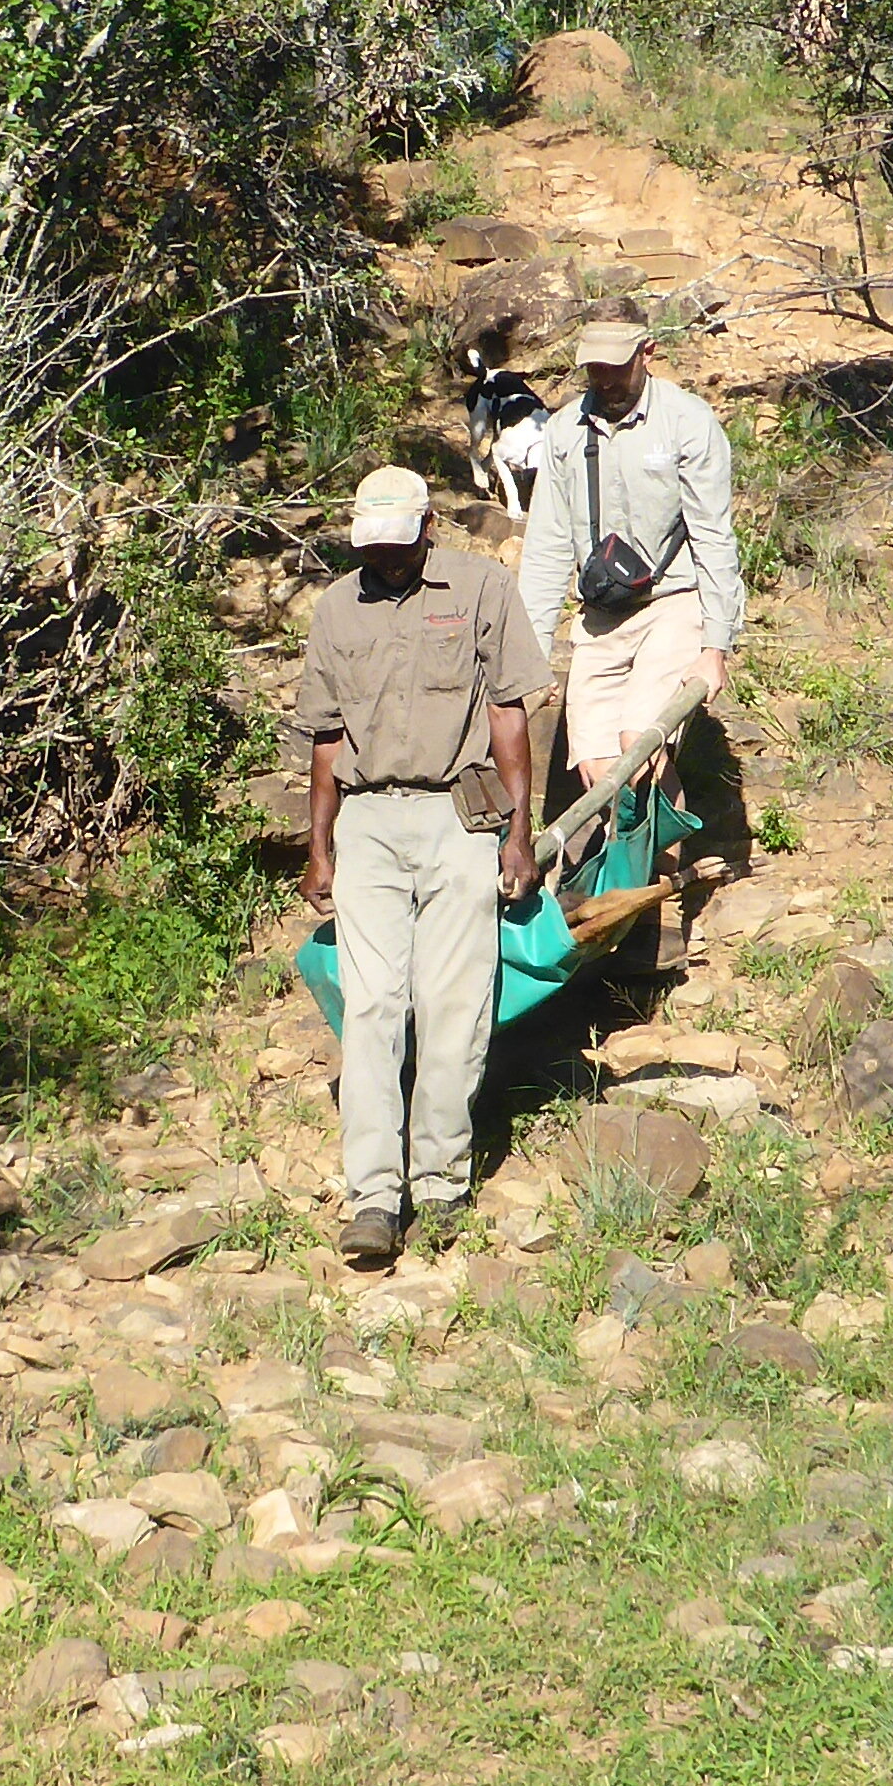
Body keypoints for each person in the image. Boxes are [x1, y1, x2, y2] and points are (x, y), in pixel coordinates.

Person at [294, 465, 545, 1271]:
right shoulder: (337, 608)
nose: (388, 561)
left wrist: (518, 830)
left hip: (456, 814)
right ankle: (373, 1196)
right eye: (374, 549)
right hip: (368, 820)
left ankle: (439, 1178)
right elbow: (325, 739)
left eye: (400, 547)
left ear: (428, 526)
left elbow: (509, 710)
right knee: (371, 1006)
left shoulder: (480, 589)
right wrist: (319, 847)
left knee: (452, 1001)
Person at [515, 318, 743, 794]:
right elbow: (546, 550)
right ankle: (641, 866)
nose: (605, 381)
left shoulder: (687, 422)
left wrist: (715, 648)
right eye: (594, 369)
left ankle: (658, 866)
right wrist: (529, 663)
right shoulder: (562, 431)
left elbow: (714, 536)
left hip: (674, 602)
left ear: (647, 352)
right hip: (600, 614)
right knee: (597, 767)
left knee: (638, 745)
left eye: (615, 367)